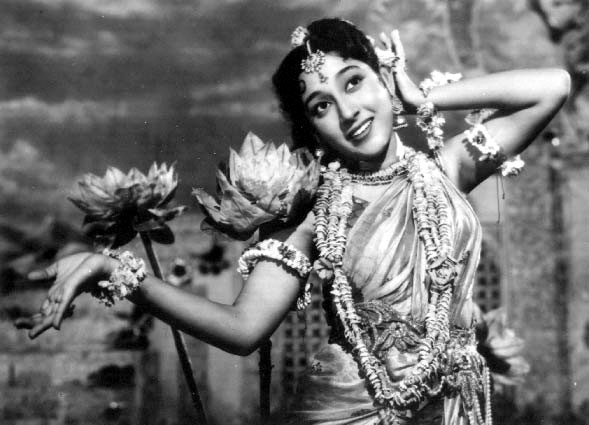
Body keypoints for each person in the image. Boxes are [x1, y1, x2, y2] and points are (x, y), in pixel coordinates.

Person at [16, 18, 569, 424]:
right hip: (355, 412)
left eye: (353, 81)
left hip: (455, 407)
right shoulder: (317, 214)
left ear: (383, 77)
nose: (348, 112)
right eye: (321, 105)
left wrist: (419, 95)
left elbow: (553, 87)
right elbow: (242, 330)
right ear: (312, 129)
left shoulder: (448, 169)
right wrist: (114, 270)